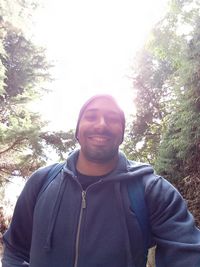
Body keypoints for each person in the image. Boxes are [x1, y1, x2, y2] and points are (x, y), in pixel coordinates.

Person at [2, 94, 200, 267]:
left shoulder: (152, 190)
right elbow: (15, 248)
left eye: (112, 118)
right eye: (91, 116)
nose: (101, 124)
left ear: (122, 134)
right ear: (77, 131)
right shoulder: (42, 182)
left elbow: (188, 255)